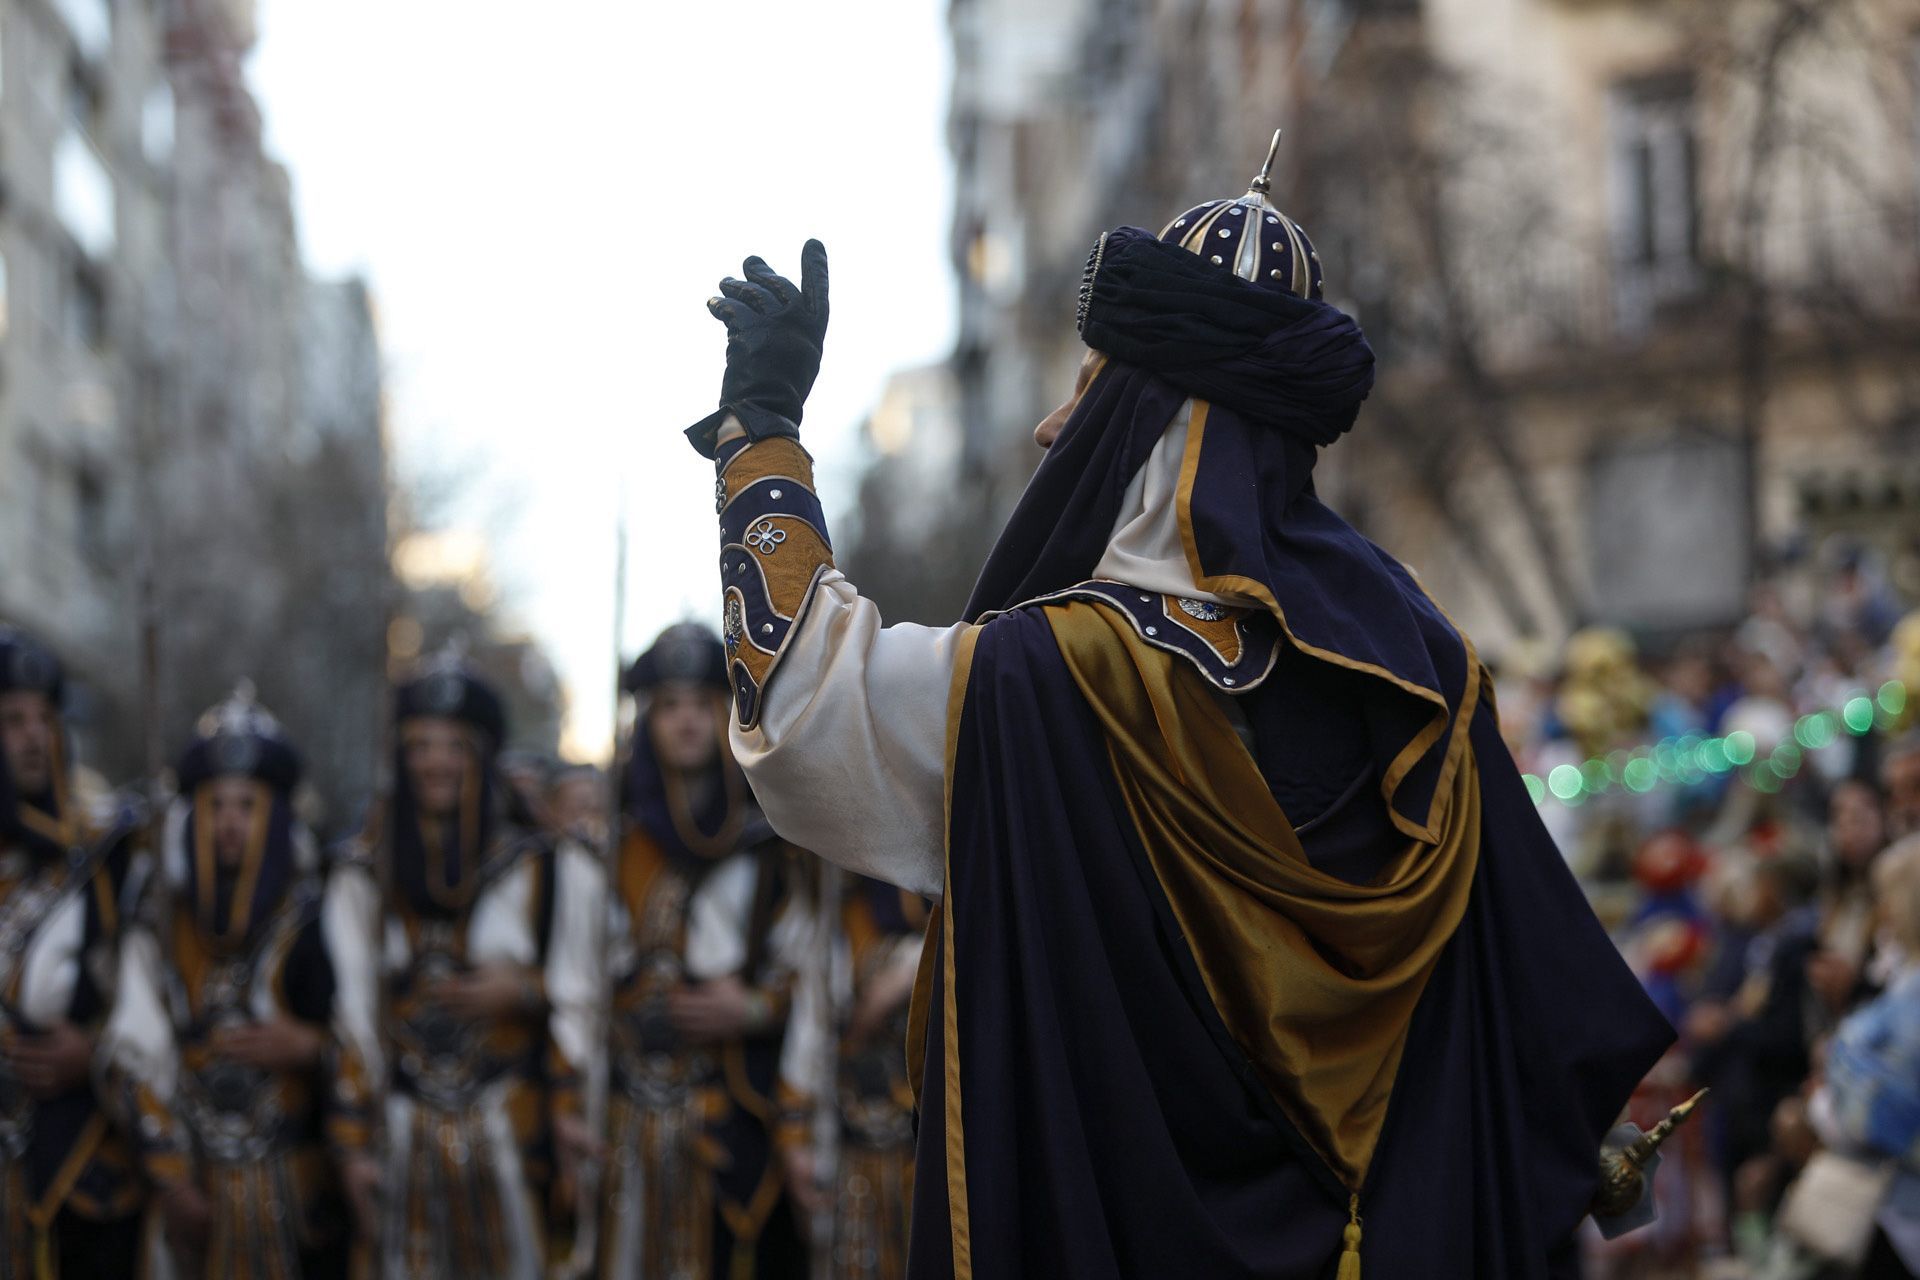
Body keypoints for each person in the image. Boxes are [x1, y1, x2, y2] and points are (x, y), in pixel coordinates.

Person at [683, 142, 1676, 1277]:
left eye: (1088, 387)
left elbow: (806, 707)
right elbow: (1525, 982)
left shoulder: (1054, 675)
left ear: (1147, 423)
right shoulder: (1421, 674)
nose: (1053, 427)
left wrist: (759, 431)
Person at [324, 657, 600, 1279]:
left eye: (454, 746)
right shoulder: (361, 874)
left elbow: (579, 998)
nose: (436, 762)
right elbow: (352, 1019)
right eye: (420, 746)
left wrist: (524, 991)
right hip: (400, 1136)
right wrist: (351, 1146)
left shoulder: (545, 867)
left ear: (483, 755)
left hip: (511, 1134)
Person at [101, 687, 353, 1278]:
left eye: (247, 805)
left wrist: (312, 1047)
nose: (231, 823)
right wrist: (171, 1180)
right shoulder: (160, 920)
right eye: (216, 805)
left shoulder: (319, 913)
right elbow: (134, 1049)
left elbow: (369, 1033)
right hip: (192, 1183)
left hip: (298, 1196)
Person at [596, 623, 812, 1280]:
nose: (687, 721)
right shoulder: (606, 846)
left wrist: (752, 1010)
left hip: (733, 1118)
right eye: (669, 706)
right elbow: (574, 986)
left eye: (702, 703)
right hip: (625, 1118)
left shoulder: (776, 843)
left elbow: (813, 973)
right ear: (647, 720)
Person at [0, 624, 146, 1277]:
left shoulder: (108, 853)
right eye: (13, 721)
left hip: (79, 1162)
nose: (35, 737)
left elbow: (154, 994)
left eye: (45, 719)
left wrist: (96, 1051)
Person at [777, 875, 925, 1280]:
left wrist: (911, 972)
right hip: (850, 1151)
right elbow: (809, 1033)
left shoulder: (958, 923)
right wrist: (794, 1142)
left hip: (925, 1154)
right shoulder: (837, 920)